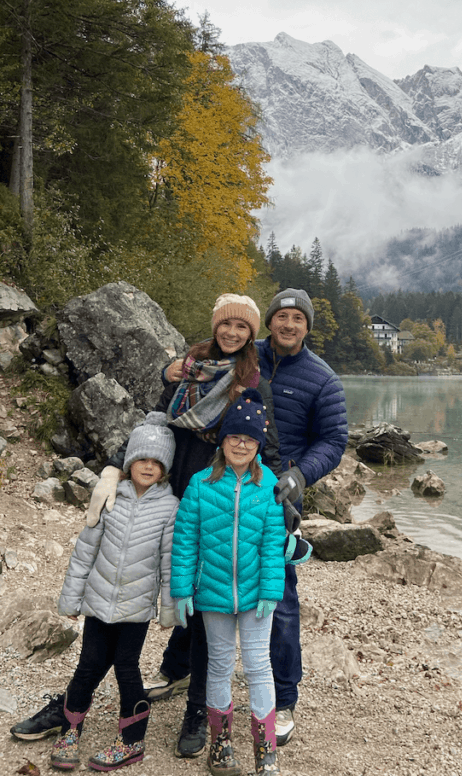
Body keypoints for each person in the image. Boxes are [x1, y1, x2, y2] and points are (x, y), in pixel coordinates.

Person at [10, 293, 275, 761]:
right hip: (171, 490)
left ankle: (197, 710)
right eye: (226, 325)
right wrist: (117, 466)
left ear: (253, 334)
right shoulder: (187, 368)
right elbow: (154, 423)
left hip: (213, 498)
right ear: (215, 327)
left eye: (242, 328)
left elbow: (260, 443)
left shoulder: (253, 380)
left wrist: (281, 493)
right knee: (125, 595)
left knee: (200, 609)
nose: (232, 333)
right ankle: (75, 706)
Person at [50, 414, 178, 772]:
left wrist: (168, 610)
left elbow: (169, 564)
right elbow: (84, 552)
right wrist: (71, 599)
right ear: (129, 463)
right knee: (87, 667)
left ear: (165, 468)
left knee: (127, 669)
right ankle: (70, 730)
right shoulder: (110, 497)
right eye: (141, 459)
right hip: (97, 602)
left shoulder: (170, 508)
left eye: (156, 462)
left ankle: (131, 741)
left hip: (135, 610)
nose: (148, 466)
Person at [171, 392, 285, 776]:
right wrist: (182, 589)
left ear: (258, 445)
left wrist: (271, 589)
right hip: (213, 594)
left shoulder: (269, 486)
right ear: (223, 440)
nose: (241, 444)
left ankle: (264, 746)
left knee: (258, 666)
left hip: (256, 597)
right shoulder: (200, 485)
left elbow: (273, 544)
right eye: (235, 436)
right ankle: (221, 744)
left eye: (250, 439)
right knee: (218, 666)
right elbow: (184, 543)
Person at [256, 288, 348, 746]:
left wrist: (300, 474)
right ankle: (180, 670)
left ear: (307, 327)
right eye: (282, 316)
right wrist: (167, 368)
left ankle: (284, 696)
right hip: (228, 492)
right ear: (269, 320)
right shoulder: (243, 358)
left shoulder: (322, 379)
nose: (289, 325)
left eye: (298, 318)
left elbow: (334, 441)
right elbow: (194, 380)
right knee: (206, 578)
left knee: (280, 598)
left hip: (280, 500)